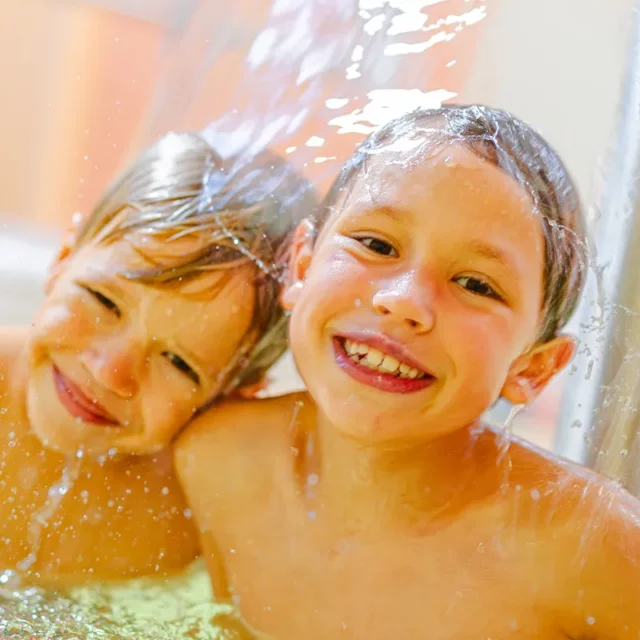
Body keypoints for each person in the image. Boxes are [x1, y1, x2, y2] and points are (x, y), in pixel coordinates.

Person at [175, 105, 640, 639]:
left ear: (533, 368)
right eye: (376, 244)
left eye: (476, 284)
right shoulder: (218, 463)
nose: (404, 301)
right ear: (301, 266)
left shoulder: (584, 548)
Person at [0, 131, 316, 586]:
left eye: (178, 362)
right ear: (63, 260)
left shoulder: (196, 519)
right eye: (103, 301)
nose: (111, 372)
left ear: (233, 396)